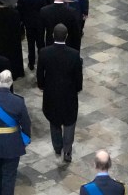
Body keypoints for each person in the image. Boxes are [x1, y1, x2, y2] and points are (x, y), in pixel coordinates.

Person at [36, 23, 83, 162]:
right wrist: (78, 88)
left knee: (54, 120)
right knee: (69, 122)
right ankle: (67, 151)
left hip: (51, 94)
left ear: (52, 36)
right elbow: (78, 75)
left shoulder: (44, 52)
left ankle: (57, 147)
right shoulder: (74, 54)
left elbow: (40, 74)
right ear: (67, 36)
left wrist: (42, 86)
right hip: (69, 94)